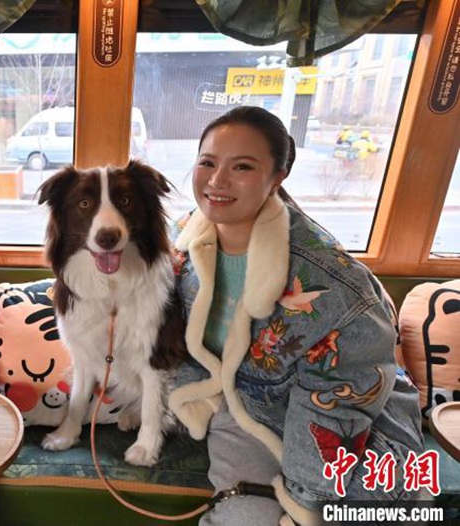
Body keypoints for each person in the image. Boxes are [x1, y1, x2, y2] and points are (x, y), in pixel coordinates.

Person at [168, 106, 424, 526]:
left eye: (243, 166)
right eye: (208, 163)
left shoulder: (329, 282)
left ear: (278, 177)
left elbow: (342, 394)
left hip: (349, 416)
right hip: (244, 404)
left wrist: (305, 501)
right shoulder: (185, 240)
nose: (216, 181)